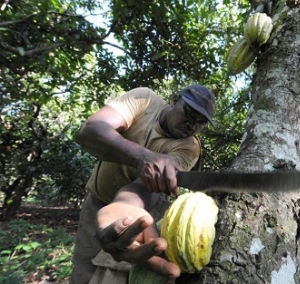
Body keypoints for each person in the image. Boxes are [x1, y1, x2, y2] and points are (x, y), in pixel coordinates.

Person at [69, 84, 216, 284]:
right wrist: (143, 157)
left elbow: (147, 187)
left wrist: (126, 207)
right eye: (189, 113)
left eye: (200, 122)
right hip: (96, 202)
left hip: (138, 215)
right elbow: (90, 130)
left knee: (112, 275)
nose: (192, 125)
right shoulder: (144, 100)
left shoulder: (189, 147)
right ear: (174, 99)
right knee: (82, 274)